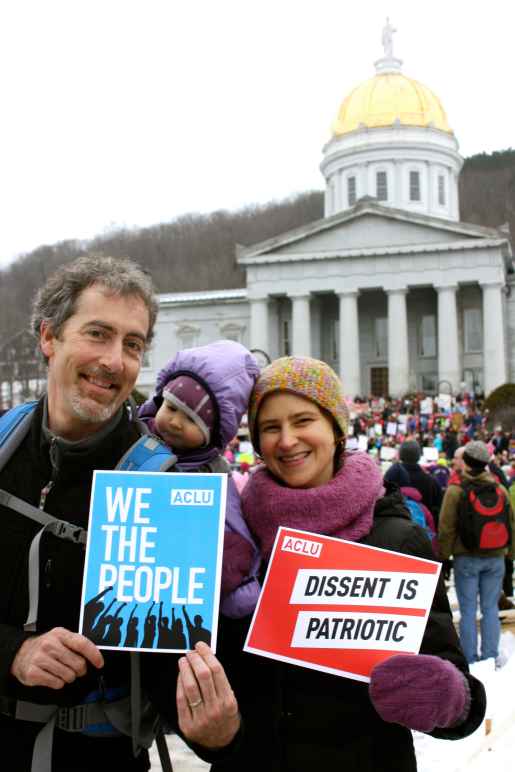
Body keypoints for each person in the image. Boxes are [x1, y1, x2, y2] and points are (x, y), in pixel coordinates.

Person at [0, 256, 240, 771]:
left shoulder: (165, 484)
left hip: (98, 756)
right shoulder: (3, 447)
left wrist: (214, 731)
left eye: (132, 344)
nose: (114, 360)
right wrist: (12, 652)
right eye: (97, 334)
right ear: (49, 337)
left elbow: (173, 660)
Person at [214, 356, 486, 772]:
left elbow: (454, 683)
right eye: (270, 427)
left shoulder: (395, 538)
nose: (286, 440)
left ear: (336, 428)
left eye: (303, 420)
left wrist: (450, 698)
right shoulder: (238, 532)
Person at [138, 339, 261, 618]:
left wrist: (236, 580)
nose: (175, 422)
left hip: (175, 600)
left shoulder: (212, 472)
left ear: (213, 433)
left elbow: (235, 529)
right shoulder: (131, 440)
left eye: (191, 419)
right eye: (170, 407)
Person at [439, 440, 515, 666]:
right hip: (496, 557)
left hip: (466, 558)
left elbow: (446, 527)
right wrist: (510, 554)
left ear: (466, 462)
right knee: (491, 608)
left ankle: (470, 657)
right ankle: (491, 654)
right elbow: (511, 523)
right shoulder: (499, 489)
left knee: (468, 610)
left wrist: (444, 557)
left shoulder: (456, 490)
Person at [384, 439, 443, 526]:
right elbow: (438, 510)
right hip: (424, 532)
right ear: (419, 456)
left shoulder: (391, 478)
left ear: (400, 455)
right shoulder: (432, 481)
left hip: (392, 528)